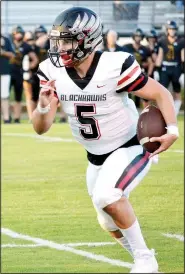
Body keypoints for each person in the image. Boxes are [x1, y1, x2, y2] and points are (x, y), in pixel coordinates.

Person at [32, 7, 179, 273]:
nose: (60, 47)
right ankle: (142, 256)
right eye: (58, 40)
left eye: (67, 40)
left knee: (107, 196)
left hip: (130, 145)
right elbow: (41, 129)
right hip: (95, 156)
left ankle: (146, 260)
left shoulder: (114, 65)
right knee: (107, 222)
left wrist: (172, 130)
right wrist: (43, 107)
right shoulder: (51, 71)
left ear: (87, 39)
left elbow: (159, 93)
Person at [9, 25, 38, 123]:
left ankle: (17, 118)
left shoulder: (26, 46)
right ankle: (7, 117)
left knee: (18, 97)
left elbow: (35, 59)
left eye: (20, 33)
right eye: (17, 33)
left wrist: (27, 67)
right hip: (7, 73)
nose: (18, 35)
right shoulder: (10, 44)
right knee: (5, 96)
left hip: (19, 73)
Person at [156, 20, 184, 116]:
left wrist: (183, 72)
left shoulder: (181, 41)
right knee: (162, 91)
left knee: (177, 91)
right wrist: (156, 70)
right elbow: (159, 57)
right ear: (167, 30)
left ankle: (174, 114)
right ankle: (161, 113)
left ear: (176, 30)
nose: (172, 31)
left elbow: (183, 57)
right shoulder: (162, 41)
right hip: (165, 68)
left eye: (173, 29)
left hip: (176, 67)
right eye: (170, 29)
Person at [123, 28, 154, 109]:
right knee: (127, 95)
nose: (138, 38)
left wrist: (149, 74)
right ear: (133, 37)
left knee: (140, 95)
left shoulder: (145, 49)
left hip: (140, 74)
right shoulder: (127, 47)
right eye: (136, 36)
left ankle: (141, 112)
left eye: (140, 36)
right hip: (129, 74)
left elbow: (150, 63)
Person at [0, 34, 15, 123]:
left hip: (4, 72)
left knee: (4, 96)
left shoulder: (5, 39)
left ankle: (6, 118)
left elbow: (12, 55)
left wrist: (3, 52)